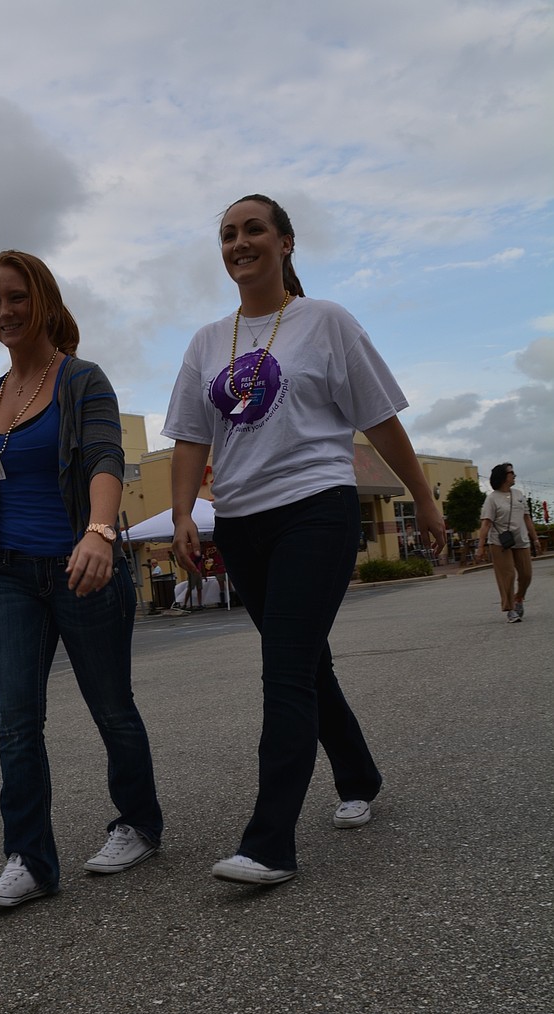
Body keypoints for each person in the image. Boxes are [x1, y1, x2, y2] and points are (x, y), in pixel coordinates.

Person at [163, 193, 445, 889]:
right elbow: (191, 439)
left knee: (284, 667)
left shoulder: (325, 321)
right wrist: (179, 517)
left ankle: (269, 843)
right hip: (243, 522)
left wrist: (424, 497)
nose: (238, 243)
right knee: (305, 662)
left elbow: (379, 420)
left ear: (286, 242)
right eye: (227, 234)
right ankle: (359, 775)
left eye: (253, 229)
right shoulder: (206, 341)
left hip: (317, 508)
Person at [0, 250, 163, 908]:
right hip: (13, 578)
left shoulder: (82, 381)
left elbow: (104, 456)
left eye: (15, 297)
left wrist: (99, 533)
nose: (4, 312)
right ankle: (30, 859)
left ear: (43, 300)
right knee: (14, 721)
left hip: (82, 571)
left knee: (112, 710)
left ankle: (138, 823)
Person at [474, 463, 541, 622]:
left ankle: (519, 598)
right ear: (503, 477)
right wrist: (480, 546)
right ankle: (510, 609)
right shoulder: (492, 499)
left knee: (526, 574)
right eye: (511, 473)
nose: (514, 475)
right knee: (507, 575)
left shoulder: (518, 495)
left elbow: (527, 518)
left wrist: (535, 538)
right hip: (500, 542)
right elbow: (486, 524)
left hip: (520, 540)